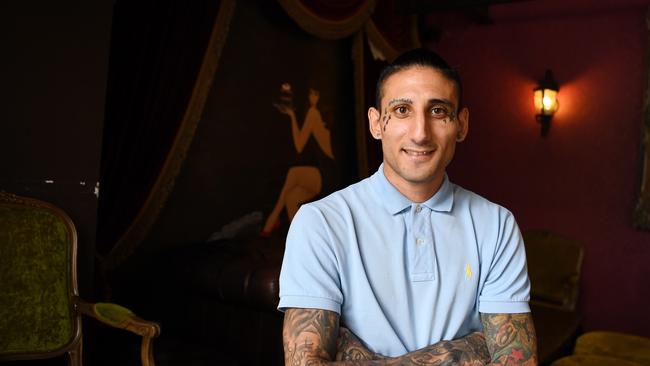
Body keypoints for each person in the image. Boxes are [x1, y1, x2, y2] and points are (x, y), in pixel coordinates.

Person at [278, 48, 537, 365]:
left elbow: (517, 360)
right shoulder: (320, 222)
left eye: (438, 111)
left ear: (462, 124)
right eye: (401, 110)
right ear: (376, 123)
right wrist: (466, 349)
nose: (420, 133)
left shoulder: (497, 224)